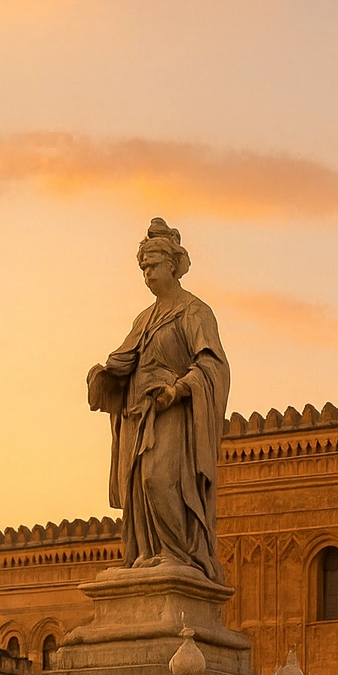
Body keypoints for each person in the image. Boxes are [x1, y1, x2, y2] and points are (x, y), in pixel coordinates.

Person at [87, 218, 229, 582]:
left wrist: (178, 389)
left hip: (172, 414)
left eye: (152, 265)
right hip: (139, 416)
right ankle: (148, 553)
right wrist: (103, 376)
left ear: (172, 264)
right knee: (139, 490)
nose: (147, 273)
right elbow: (125, 362)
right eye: (143, 267)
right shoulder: (144, 319)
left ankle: (177, 554)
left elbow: (212, 365)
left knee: (158, 479)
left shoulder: (194, 312)